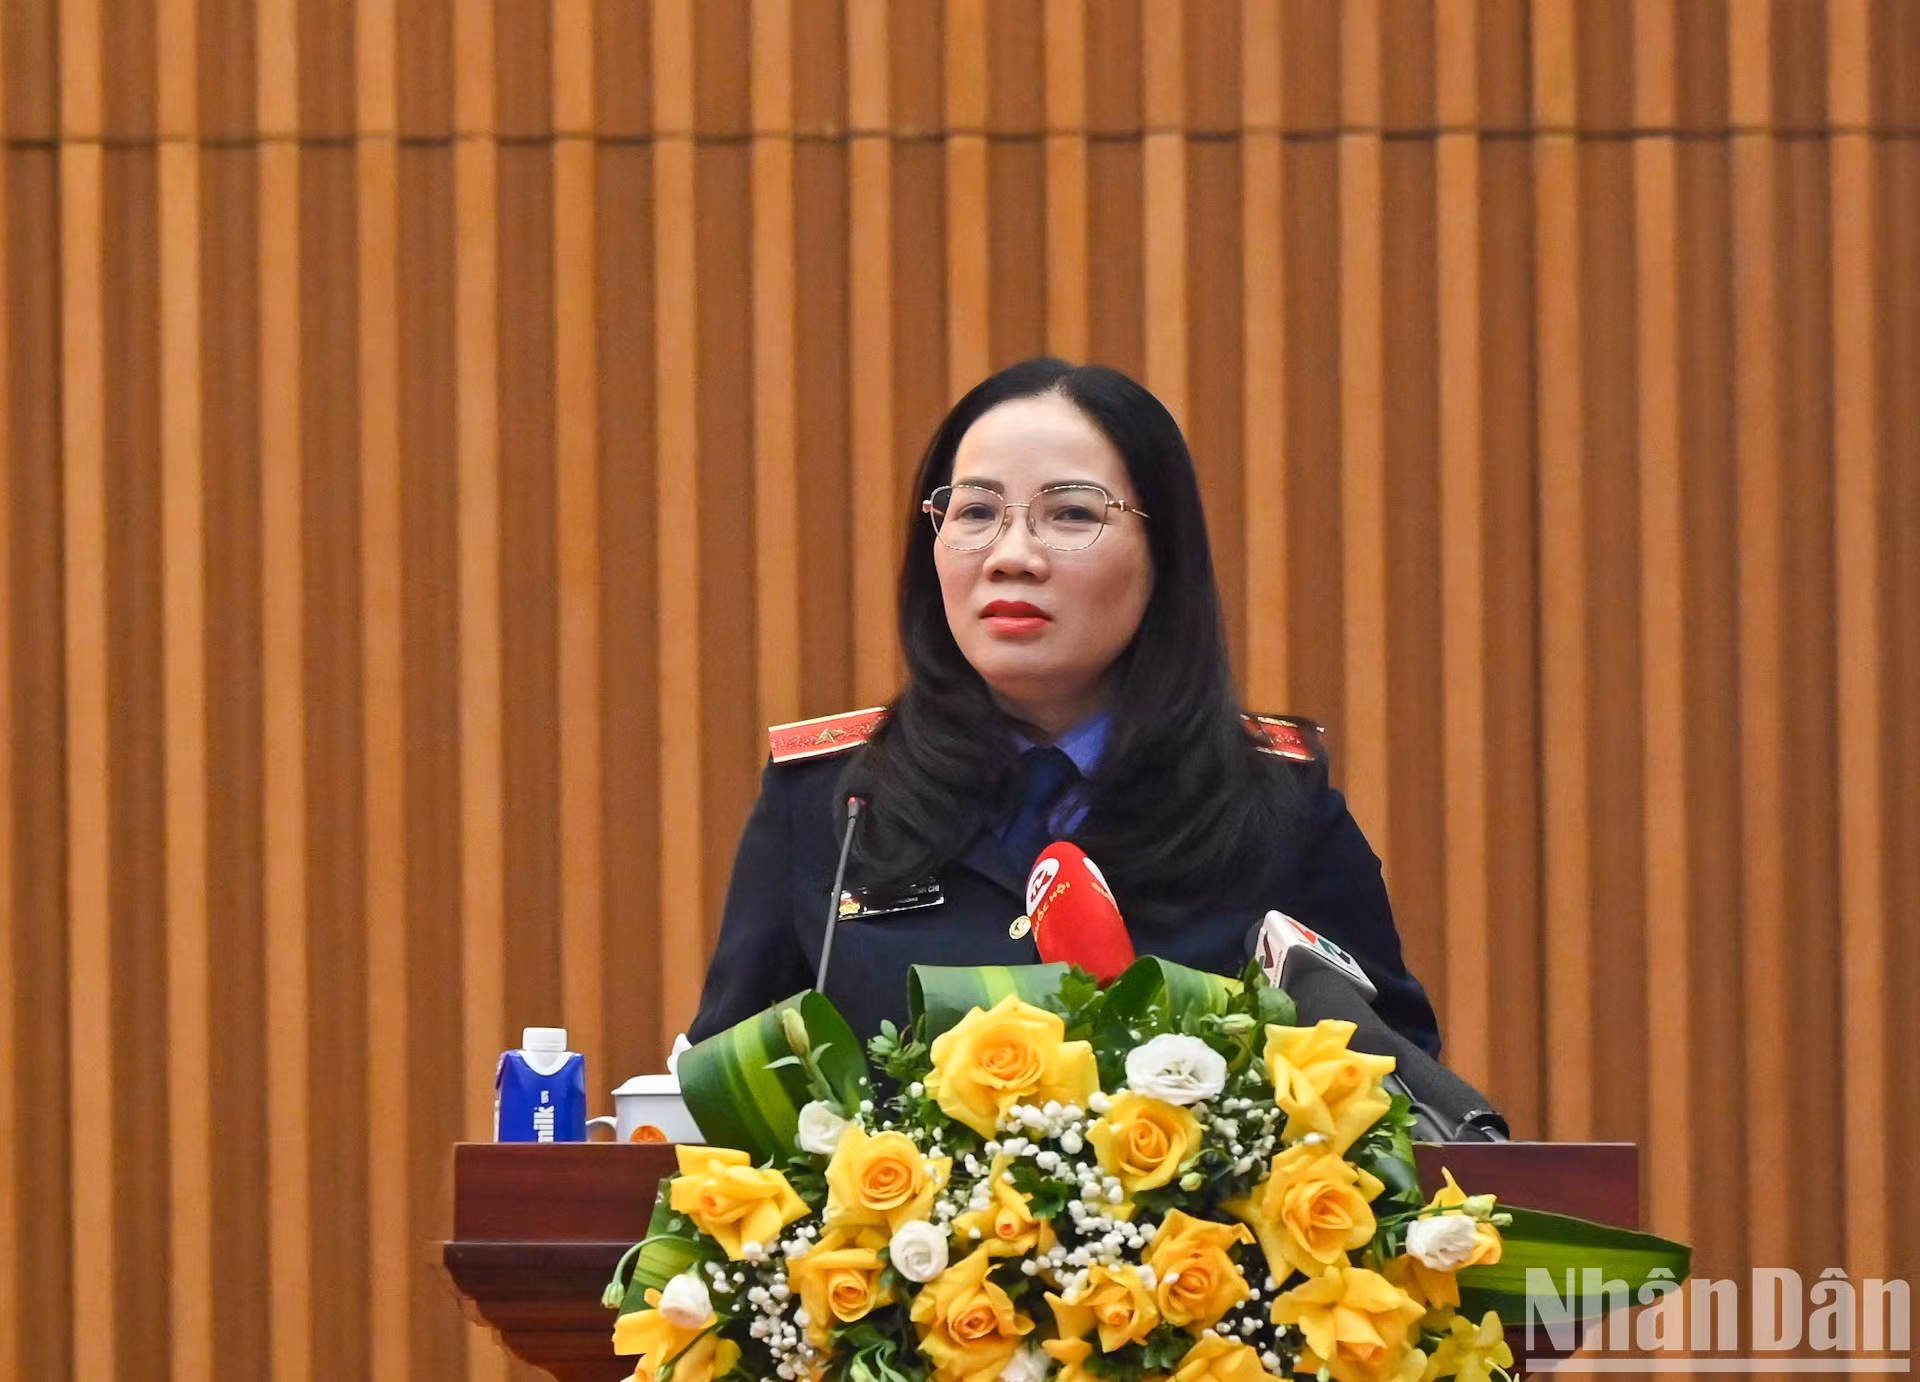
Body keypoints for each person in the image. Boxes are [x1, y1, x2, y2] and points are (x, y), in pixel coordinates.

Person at [686, 358, 1439, 1054]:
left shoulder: (1275, 803)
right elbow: (729, 1103)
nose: (1012, 554)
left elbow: (1388, 1092)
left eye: (1072, 515)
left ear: (1163, 554)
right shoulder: (831, 800)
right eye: (976, 512)